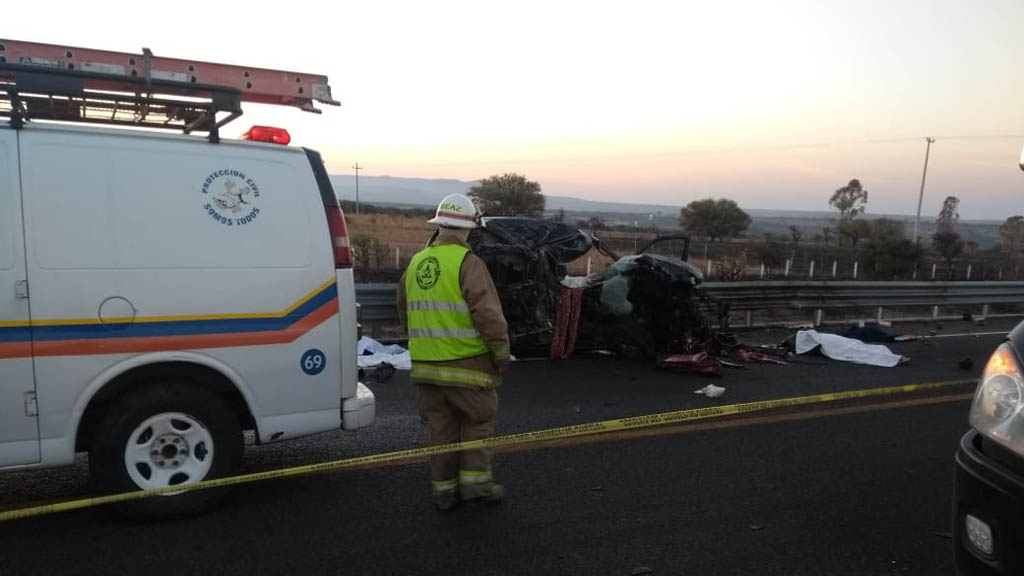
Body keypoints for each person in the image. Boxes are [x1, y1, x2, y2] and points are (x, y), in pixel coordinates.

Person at [397, 193, 511, 510]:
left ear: (438, 225)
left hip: (424, 367)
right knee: (477, 425)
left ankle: (444, 492)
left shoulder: (417, 262)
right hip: (467, 366)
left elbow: (403, 311)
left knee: (441, 430)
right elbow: (488, 315)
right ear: (468, 229)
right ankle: (476, 488)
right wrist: (501, 354)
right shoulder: (468, 263)